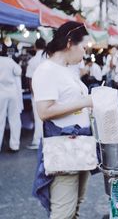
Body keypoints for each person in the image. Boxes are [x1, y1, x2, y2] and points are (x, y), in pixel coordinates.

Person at [32, 21, 93, 218]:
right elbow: (45, 111)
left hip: (80, 146)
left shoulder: (67, 70)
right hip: (64, 147)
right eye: (83, 47)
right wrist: (86, 102)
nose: (84, 52)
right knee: (63, 212)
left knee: (75, 207)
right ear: (69, 43)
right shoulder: (47, 70)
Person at [0, 43, 22, 153]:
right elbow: (19, 71)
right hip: (12, 93)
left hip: (1, 93)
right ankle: (15, 145)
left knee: (0, 119)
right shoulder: (10, 61)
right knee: (14, 119)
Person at [26, 38, 46, 149]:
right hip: (49, 91)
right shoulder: (48, 59)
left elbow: (30, 79)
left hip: (37, 92)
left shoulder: (33, 61)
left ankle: (37, 140)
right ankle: (45, 138)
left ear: (35, 46)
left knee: (38, 117)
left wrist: (33, 93)